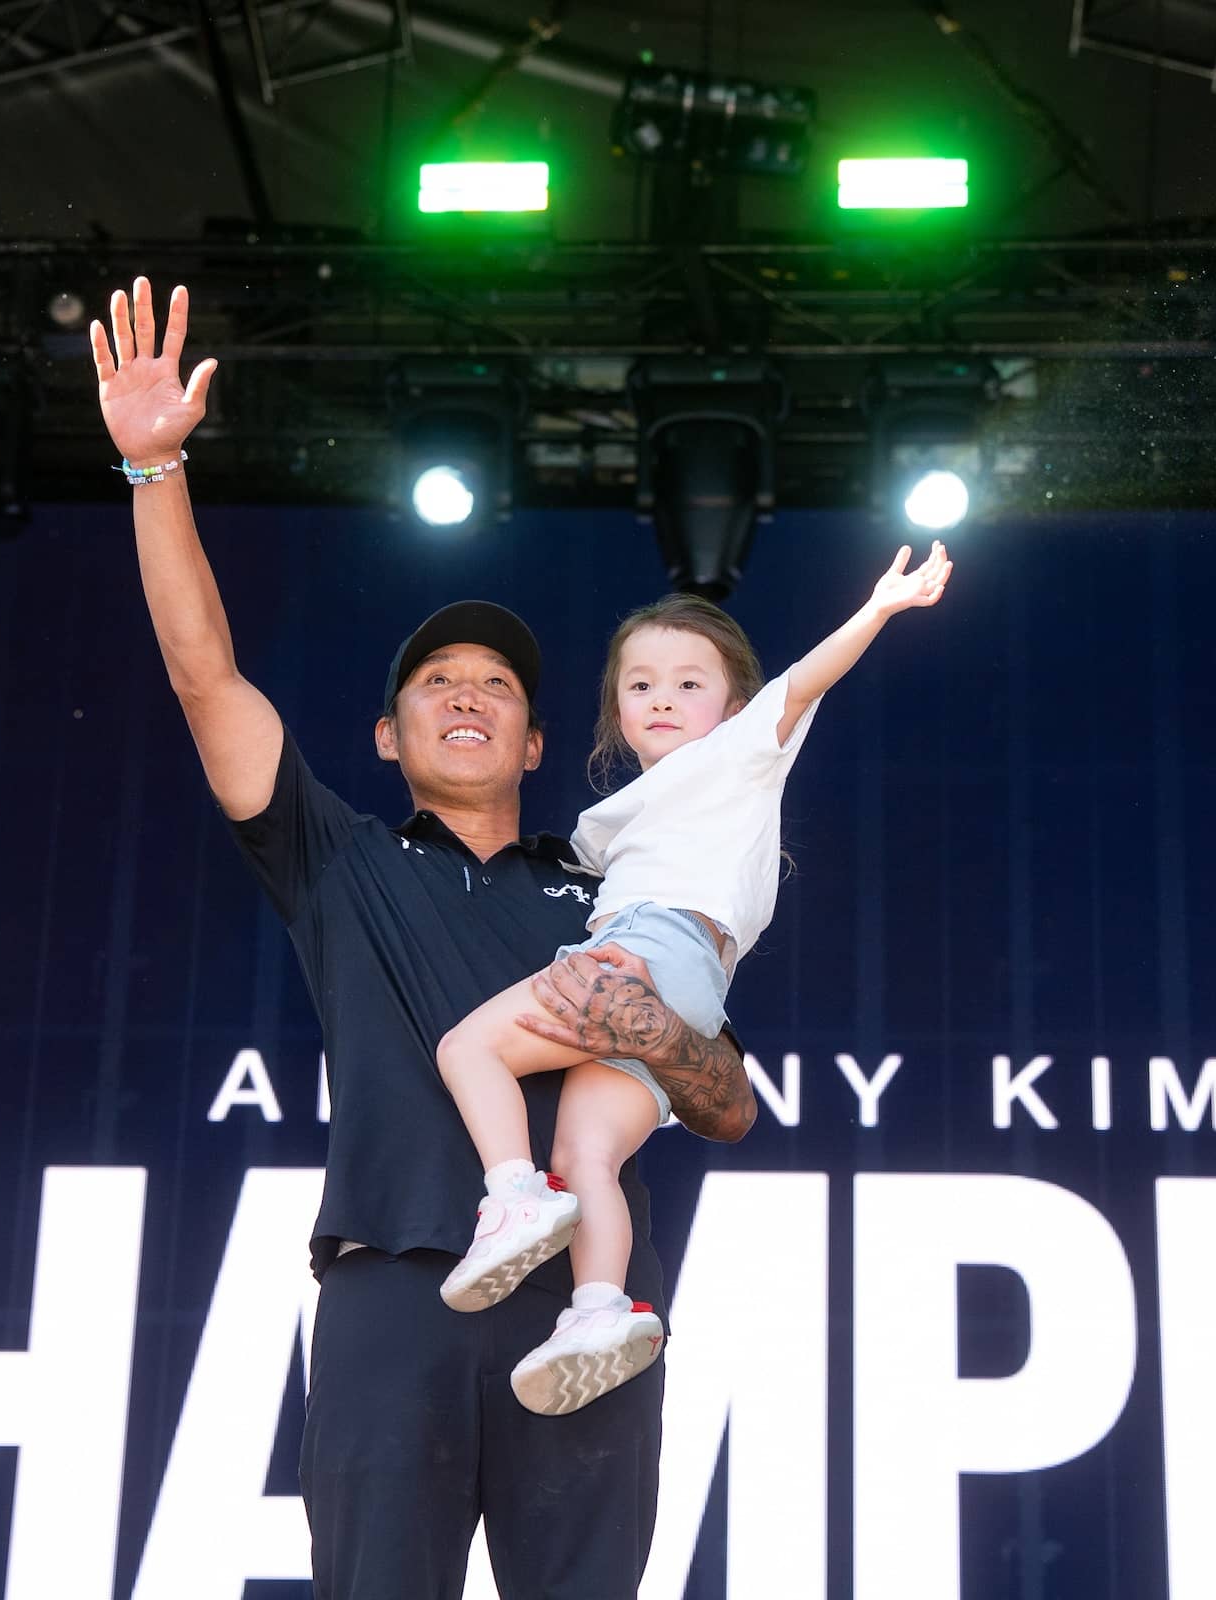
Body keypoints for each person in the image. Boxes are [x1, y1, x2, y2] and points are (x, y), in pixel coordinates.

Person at [89, 276, 758, 1599]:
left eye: (499, 685)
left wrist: (658, 1036)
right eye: (436, 683)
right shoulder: (335, 857)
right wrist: (156, 466)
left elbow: (728, 1102)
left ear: (539, 744)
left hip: (584, 1303)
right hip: (392, 1295)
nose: (469, 693)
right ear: (388, 738)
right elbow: (203, 673)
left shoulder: (613, 890)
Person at [433, 556, 949, 1417]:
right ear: (620, 712)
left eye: (687, 682)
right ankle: (597, 1310)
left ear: (735, 709)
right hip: (687, 985)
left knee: (467, 1046)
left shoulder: (737, 757)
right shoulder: (620, 818)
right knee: (586, 1155)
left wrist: (879, 610)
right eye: (640, 685)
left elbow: (801, 685)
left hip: (655, 947)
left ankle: (511, 1195)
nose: (662, 698)